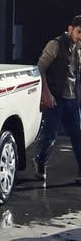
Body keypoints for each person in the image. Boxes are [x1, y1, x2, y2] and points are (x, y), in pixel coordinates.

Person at [33, 14, 81, 182]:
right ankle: (39, 161)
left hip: (72, 99)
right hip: (55, 97)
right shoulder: (55, 45)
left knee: (78, 135)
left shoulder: (78, 47)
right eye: (79, 32)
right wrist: (46, 93)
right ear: (70, 29)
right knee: (50, 136)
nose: (80, 37)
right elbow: (40, 69)